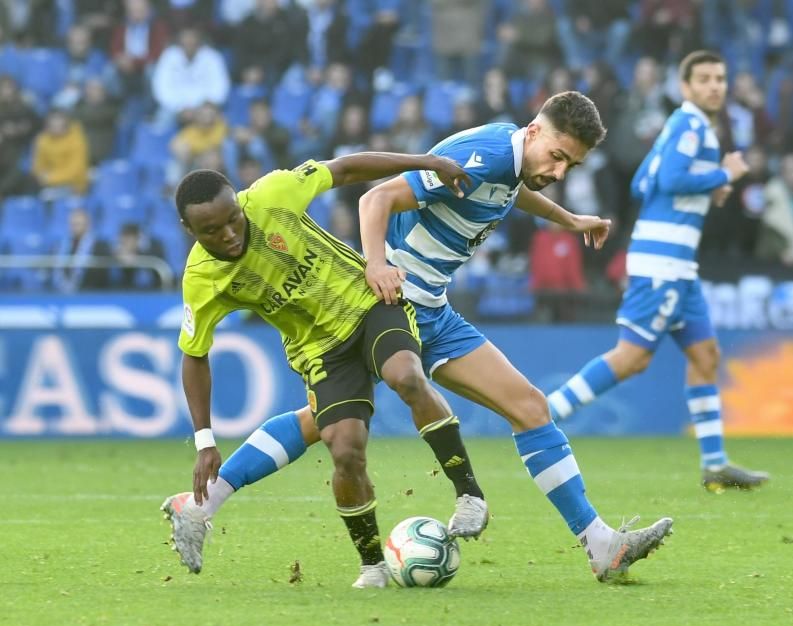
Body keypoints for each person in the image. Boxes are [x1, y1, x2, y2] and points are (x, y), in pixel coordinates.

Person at [165, 92, 673, 584]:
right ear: (535, 131)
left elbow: (509, 191)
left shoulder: (508, 157)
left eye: (571, 167)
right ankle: (500, 507)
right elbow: (377, 195)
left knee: (329, 422)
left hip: (434, 307)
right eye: (558, 157)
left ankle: (203, 504)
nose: (560, 172)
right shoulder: (485, 153)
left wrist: (568, 219)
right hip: (395, 300)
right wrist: (377, 264)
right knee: (516, 408)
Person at [161, 151, 490, 588]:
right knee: (344, 449)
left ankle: (468, 494)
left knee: (406, 376)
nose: (229, 235)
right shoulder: (202, 280)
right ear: (189, 230)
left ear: (239, 203)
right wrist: (205, 440)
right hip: (320, 351)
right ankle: (372, 566)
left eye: (233, 220)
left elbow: (348, 169)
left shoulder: (273, 194)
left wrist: (425, 161)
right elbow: (194, 354)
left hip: (369, 303)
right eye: (211, 231)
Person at [546, 51, 770, 492]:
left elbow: (643, 183)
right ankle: (541, 415)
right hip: (662, 263)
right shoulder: (691, 125)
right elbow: (668, 180)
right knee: (632, 359)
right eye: (704, 79)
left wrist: (708, 187)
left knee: (705, 356)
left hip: (679, 266)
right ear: (685, 87)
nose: (714, 87)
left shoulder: (679, 126)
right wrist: (720, 174)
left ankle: (715, 465)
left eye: (720, 79)